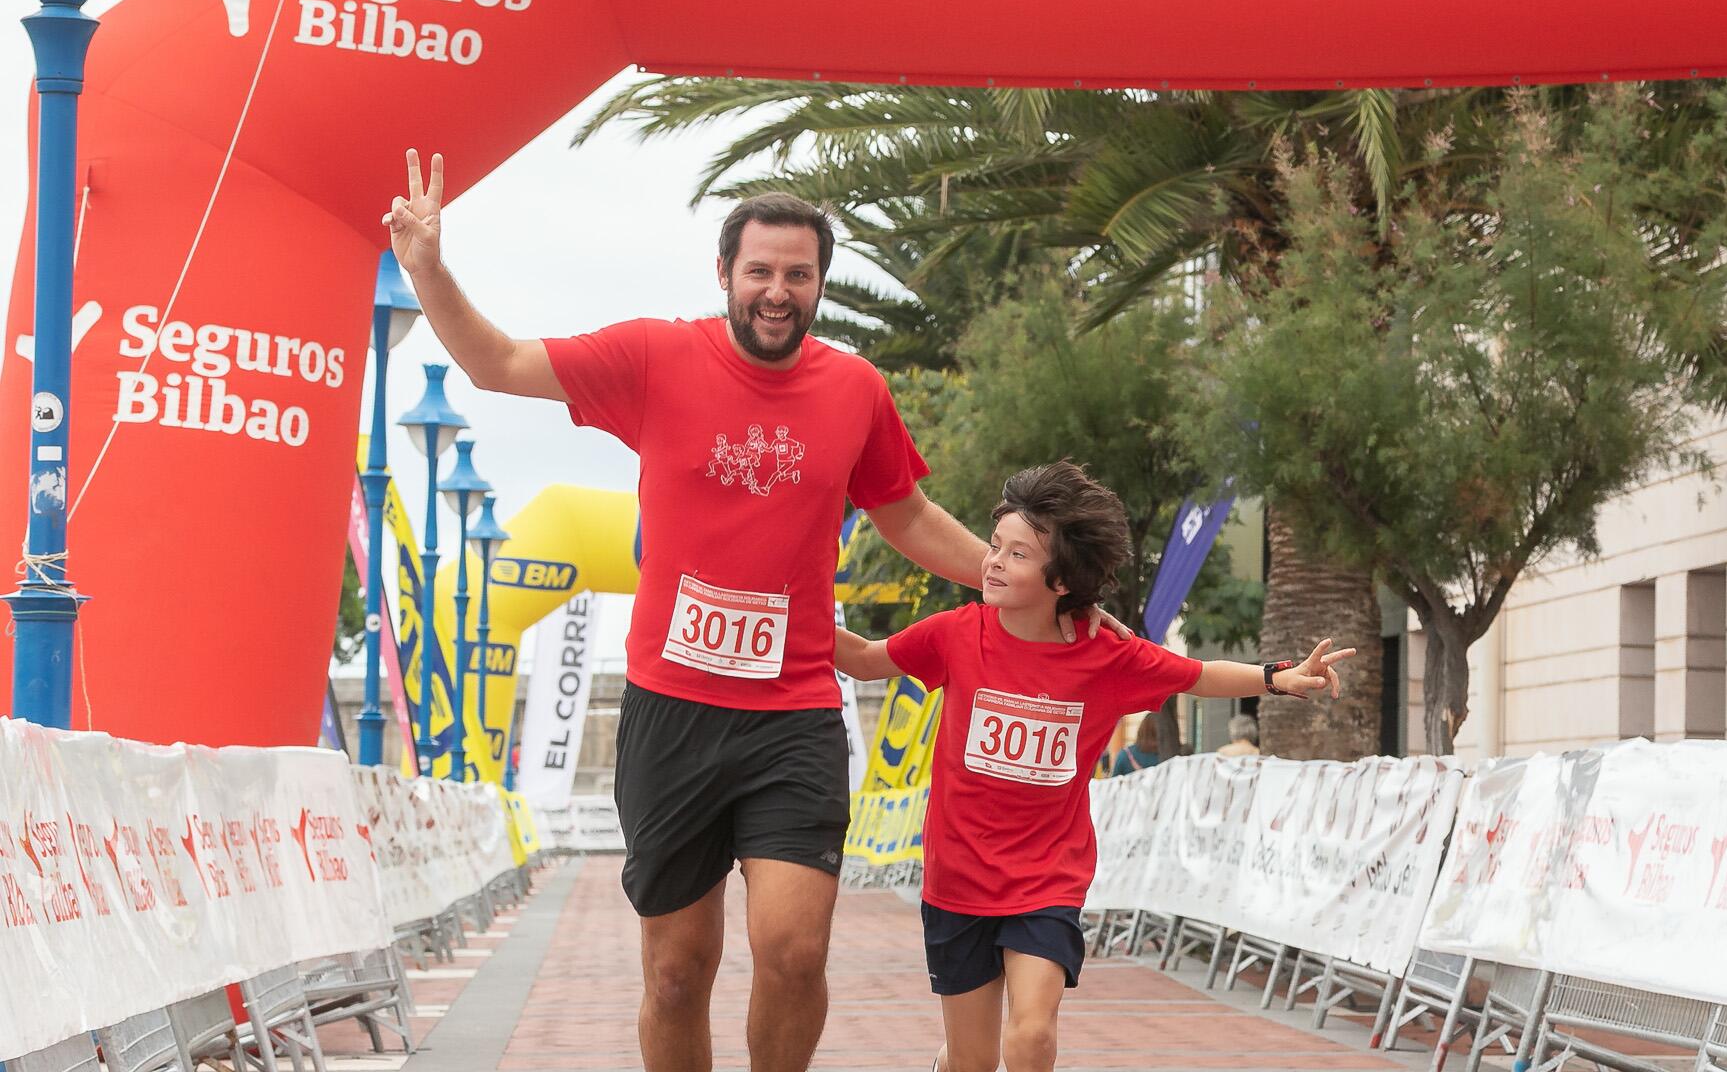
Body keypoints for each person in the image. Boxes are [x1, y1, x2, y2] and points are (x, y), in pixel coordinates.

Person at [384, 152, 1127, 1072]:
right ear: (727, 275)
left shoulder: (856, 390)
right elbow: (497, 364)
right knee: (676, 972)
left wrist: (1039, 594)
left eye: (798, 275)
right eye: (761, 272)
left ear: (818, 283)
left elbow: (905, 515)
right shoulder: (653, 357)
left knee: (793, 951)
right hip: (671, 714)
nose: (778, 291)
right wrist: (426, 265)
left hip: (794, 715)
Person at [833, 461, 1354, 1072]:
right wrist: (791, 607)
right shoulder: (955, 634)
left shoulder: (1107, 655)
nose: (993, 562)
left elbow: (1196, 673)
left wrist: (1277, 678)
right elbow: (866, 660)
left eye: (1017, 554)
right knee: (972, 1062)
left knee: (1031, 1038)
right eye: (995, 545)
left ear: (1061, 580)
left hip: (1045, 879)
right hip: (959, 879)